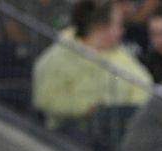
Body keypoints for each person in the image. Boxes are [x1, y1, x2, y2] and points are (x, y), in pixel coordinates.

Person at [32, 0, 153, 137]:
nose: (121, 31)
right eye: (118, 25)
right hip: (65, 132)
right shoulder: (62, 53)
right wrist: (88, 109)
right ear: (100, 27)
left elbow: (143, 86)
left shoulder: (119, 55)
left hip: (111, 131)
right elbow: (46, 99)